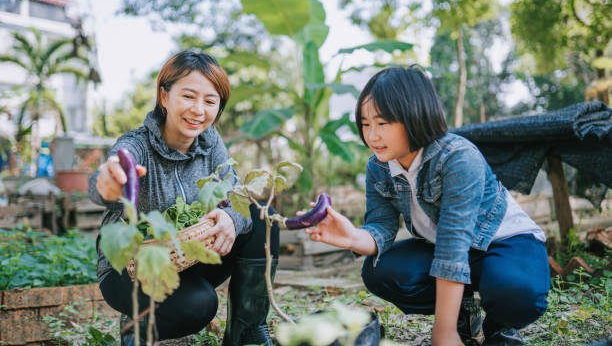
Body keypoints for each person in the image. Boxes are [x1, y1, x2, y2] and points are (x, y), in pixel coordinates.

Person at [302, 65, 550, 346]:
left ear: (415, 116)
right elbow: (382, 227)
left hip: (504, 243)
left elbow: (453, 245)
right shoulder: (379, 167)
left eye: (382, 123)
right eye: (365, 123)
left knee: (517, 290)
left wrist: (442, 333)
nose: (371, 136)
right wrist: (351, 236)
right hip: (451, 251)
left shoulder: (458, 158)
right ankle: (462, 313)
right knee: (380, 271)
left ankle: (500, 328)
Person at [88, 50, 279, 346]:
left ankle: (248, 332)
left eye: (210, 101)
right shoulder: (136, 144)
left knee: (260, 217)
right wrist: (110, 182)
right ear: (164, 97)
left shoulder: (210, 140)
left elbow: (234, 188)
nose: (198, 110)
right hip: (132, 270)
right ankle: (137, 328)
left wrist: (231, 217)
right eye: (188, 96)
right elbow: (116, 166)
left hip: (188, 258)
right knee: (198, 306)